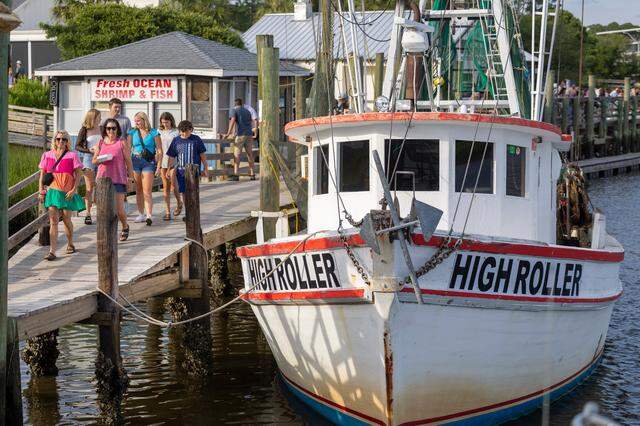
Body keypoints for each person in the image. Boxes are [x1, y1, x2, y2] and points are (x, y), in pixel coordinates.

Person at [38, 130, 85, 261]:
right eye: (58, 139)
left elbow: (79, 173)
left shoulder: (72, 155)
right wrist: (41, 191)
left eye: (64, 139)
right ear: (55, 141)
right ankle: (52, 251)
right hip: (53, 191)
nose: (61, 141)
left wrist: (74, 189)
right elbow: (42, 174)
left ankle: (70, 243)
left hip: (67, 191)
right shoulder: (47, 155)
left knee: (66, 219)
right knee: (53, 222)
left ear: (67, 141)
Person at [94, 119, 135, 242]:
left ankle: (125, 226)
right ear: (105, 130)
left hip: (118, 178)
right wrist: (103, 158)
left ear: (117, 129)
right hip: (102, 179)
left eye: (113, 128)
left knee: (119, 209)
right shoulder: (100, 143)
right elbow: (94, 161)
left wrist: (131, 178)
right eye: (108, 128)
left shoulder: (121, 143)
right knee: (103, 208)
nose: (111, 131)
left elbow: (128, 161)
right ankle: (108, 232)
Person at [128, 111, 162, 225]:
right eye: (135, 121)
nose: (136, 123)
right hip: (135, 161)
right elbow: (128, 150)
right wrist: (127, 166)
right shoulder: (132, 132)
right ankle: (141, 214)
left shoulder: (154, 132)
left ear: (144, 120)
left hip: (148, 162)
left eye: (138, 120)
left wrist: (159, 167)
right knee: (138, 190)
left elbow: (160, 150)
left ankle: (149, 215)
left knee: (147, 191)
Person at [166, 120, 209, 199]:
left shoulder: (196, 139)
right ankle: (187, 209)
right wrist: (168, 169)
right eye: (182, 132)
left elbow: (202, 155)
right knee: (183, 192)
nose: (185, 134)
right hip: (181, 171)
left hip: (193, 170)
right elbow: (171, 156)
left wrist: (206, 168)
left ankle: (192, 210)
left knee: (193, 192)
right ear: (179, 131)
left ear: (191, 130)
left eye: (187, 132)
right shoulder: (176, 140)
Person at [75, 108, 102, 224]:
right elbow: (77, 146)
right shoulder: (84, 130)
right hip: (88, 159)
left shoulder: (102, 129)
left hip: (102, 159)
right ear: (93, 118)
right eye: (98, 117)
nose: (100, 119)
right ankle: (88, 213)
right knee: (89, 187)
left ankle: (101, 211)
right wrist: (89, 150)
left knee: (100, 185)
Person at [222, 98, 256, 181]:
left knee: (237, 154)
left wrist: (228, 133)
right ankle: (252, 173)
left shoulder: (234, 110)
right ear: (242, 104)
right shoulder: (247, 111)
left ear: (235, 104)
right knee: (250, 154)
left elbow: (233, 121)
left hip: (241, 134)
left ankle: (236, 174)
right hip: (249, 134)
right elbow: (252, 122)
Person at [158, 112, 182, 220]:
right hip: (163, 161)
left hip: (173, 160)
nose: (165, 124)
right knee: (165, 187)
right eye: (163, 122)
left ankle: (179, 202)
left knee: (173, 184)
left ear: (171, 121)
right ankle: (167, 212)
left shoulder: (176, 132)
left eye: (167, 122)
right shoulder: (159, 132)